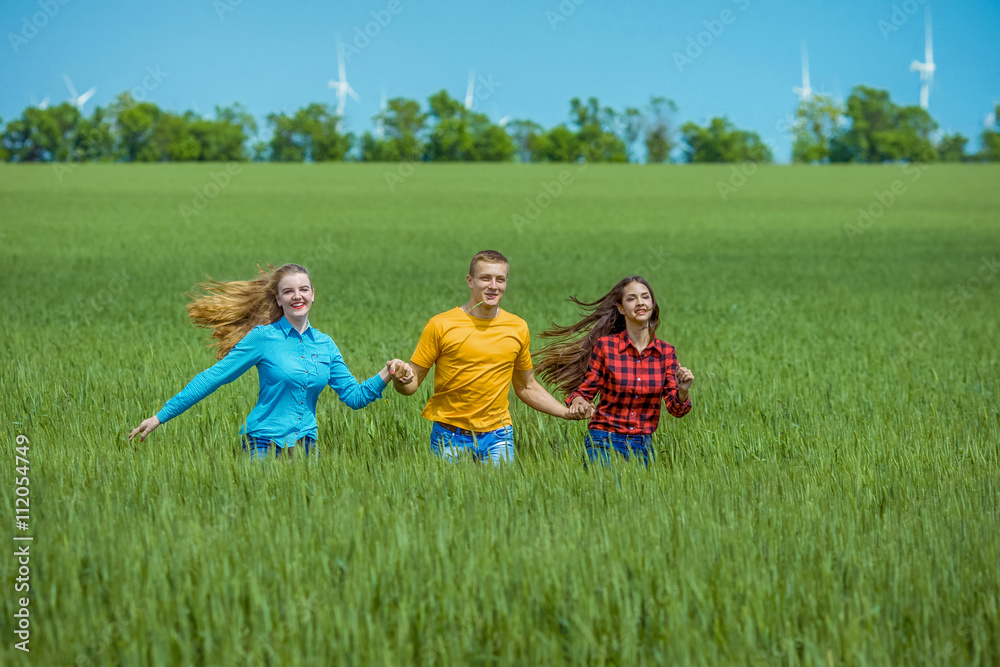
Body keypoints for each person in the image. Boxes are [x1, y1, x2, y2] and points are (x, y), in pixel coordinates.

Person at [128, 263, 414, 458]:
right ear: (278, 300)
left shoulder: (326, 345)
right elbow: (213, 377)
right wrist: (160, 416)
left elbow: (354, 397)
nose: (297, 296)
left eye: (303, 289)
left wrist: (388, 372)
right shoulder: (263, 338)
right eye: (288, 291)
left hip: (306, 448)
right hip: (262, 446)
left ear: (313, 295)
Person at [392, 250, 585, 464]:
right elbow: (411, 384)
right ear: (470, 281)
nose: (493, 286)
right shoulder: (440, 325)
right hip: (450, 437)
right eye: (485, 278)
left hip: (498, 437)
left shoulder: (518, 327)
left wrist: (566, 413)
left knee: (500, 496)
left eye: (500, 279)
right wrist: (402, 379)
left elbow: (526, 386)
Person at [535, 275, 694, 466]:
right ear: (621, 308)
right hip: (603, 441)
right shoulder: (606, 347)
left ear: (652, 304)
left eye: (645, 297)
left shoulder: (666, 353)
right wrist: (578, 402)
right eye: (631, 298)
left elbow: (676, 409)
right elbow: (585, 391)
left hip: (643, 446)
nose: (640, 303)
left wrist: (683, 391)